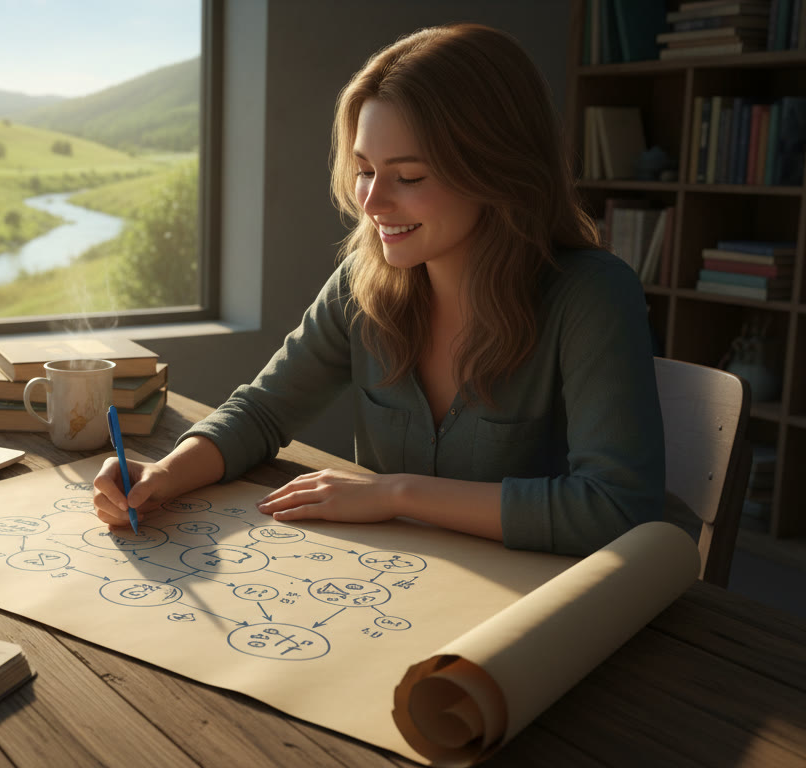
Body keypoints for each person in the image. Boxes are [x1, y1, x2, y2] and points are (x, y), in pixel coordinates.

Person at [91, 23, 664, 557]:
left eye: (408, 177)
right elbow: (262, 412)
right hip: (397, 587)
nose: (370, 202)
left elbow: (616, 508)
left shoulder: (592, 295)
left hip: (542, 604)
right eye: (365, 170)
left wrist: (396, 494)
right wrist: (164, 473)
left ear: (499, 172)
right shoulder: (362, 281)